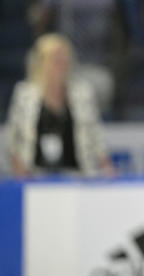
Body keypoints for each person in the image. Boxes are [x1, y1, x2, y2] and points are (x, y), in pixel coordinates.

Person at [4, 33, 111, 177]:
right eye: (55, 59)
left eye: (65, 58)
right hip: (35, 176)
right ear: (42, 62)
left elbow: (96, 135)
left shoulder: (82, 93)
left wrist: (106, 165)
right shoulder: (25, 94)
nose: (62, 63)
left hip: (76, 176)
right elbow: (11, 138)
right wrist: (18, 166)